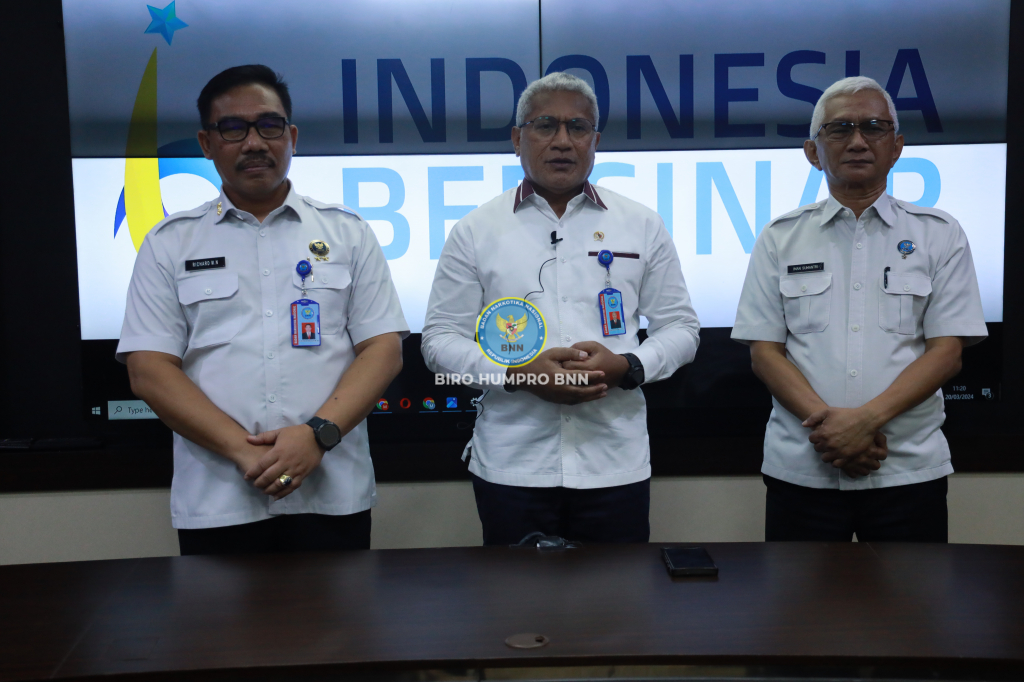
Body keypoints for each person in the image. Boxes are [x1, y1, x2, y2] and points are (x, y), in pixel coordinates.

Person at [117, 65, 408, 555]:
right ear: (207, 144)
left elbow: (383, 350)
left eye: (269, 126)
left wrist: (316, 437)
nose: (254, 142)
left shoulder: (348, 233)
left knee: (341, 610)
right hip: (220, 498)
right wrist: (242, 451)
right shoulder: (169, 243)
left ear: (291, 137)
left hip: (331, 493)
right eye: (233, 128)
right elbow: (148, 369)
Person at [421, 72, 700, 546]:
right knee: (516, 594)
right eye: (545, 126)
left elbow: (681, 328)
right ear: (517, 139)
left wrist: (629, 365)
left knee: (617, 592)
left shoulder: (641, 224)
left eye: (578, 127)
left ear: (596, 141)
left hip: (614, 462)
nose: (563, 141)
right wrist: (517, 373)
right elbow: (439, 341)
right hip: (513, 465)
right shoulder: (475, 230)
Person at [731, 76, 988, 542]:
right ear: (813, 152)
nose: (857, 141)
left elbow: (947, 352)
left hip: (907, 469)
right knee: (797, 594)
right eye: (839, 129)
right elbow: (765, 354)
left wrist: (865, 422)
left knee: (911, 594)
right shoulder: (780, 237)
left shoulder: (939, 234)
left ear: (897, 146)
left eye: (873, 127)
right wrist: (833, 432)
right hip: (804, 467)